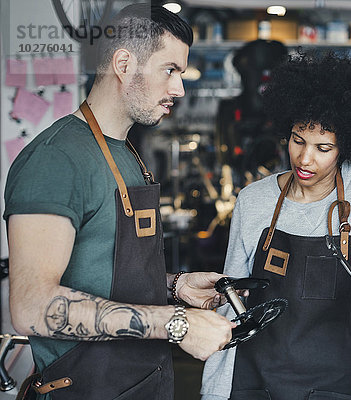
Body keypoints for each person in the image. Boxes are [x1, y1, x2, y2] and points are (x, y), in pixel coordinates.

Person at [3, 4, 235, 399]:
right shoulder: (56, 159)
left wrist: (174, 287)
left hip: (142, 383)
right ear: (124, 63)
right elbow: (31, 305)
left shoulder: (126, 153)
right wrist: (177, 323)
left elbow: (98, 275)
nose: (179, 88)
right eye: (170, 70)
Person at [200, 53, 351, 400]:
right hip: (251, 384)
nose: (305, 159)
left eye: (323, 147)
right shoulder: (254, 200)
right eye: (297, 140)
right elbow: (228, 304)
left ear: (347, 146)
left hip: (329, 387)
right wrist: (212, 392)